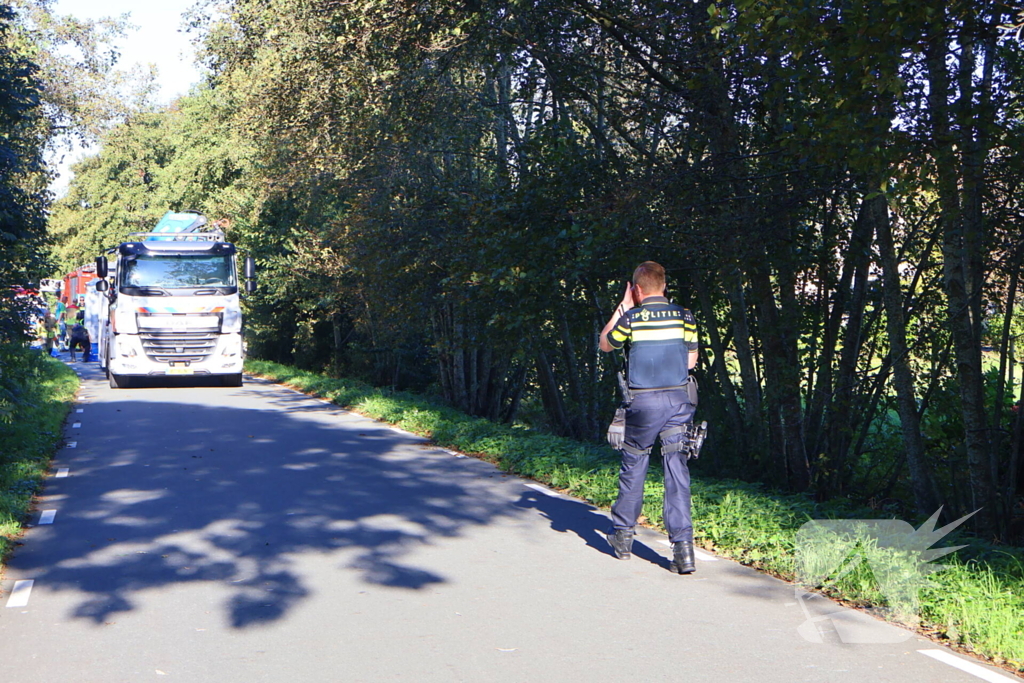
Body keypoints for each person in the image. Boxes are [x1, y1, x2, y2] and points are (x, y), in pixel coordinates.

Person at [599, 261, 700, 574]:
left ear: (637, 289)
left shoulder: (632, 317)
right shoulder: (685, 316)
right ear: (664, 285)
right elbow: (691, 362)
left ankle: (623, 538)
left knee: (635, 463)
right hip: (678, 402)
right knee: (677, 471)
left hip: (643, 403)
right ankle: (683, 551)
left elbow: (605, 344)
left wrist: (623, 306)